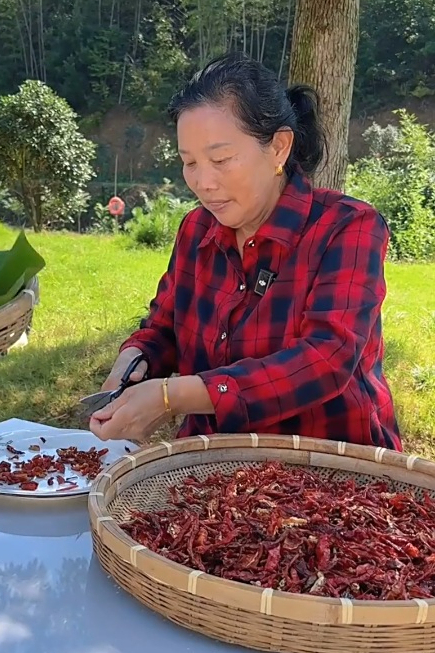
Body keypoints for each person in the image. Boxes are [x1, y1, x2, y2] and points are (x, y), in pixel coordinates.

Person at [90, 53, 402, 451]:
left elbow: (324, 361)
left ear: (278, 148)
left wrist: (173, 397)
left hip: (332, 467)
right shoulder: (196, 230)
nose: (203, 182)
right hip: (211, 462)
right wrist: (133, 362)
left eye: (221, 159)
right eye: (190, 163)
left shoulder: (347, 227)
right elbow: (164, 327)